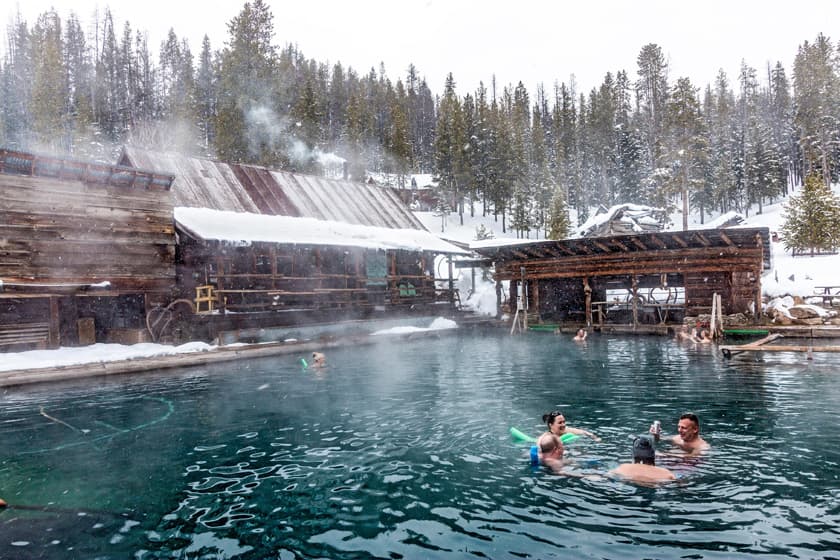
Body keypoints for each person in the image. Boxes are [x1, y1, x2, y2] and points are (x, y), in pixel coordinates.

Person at [609, 435, 676, 484]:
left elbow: (608, 476)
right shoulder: (667, 474)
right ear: (652, 454)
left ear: (634, 454)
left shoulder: (623, 468)